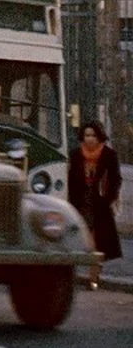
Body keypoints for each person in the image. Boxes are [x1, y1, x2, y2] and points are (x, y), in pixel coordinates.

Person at [67, 121, 123, 288]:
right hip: (80, 202)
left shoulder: (108, 155)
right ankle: (71, 276)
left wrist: (111, 198)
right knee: (75, 239)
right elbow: (70, 178)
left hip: (100, 204)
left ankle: (93, 278)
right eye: (87, 135)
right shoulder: (76, 154)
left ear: (99, 137)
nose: (90, 139)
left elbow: (115, 179)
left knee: (97, 242)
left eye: (93, 135)